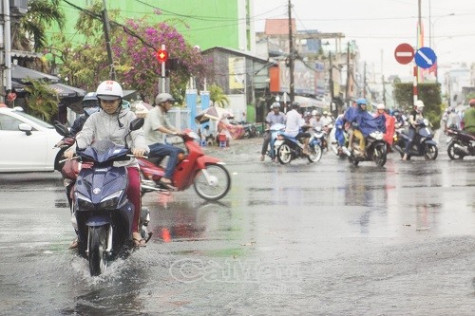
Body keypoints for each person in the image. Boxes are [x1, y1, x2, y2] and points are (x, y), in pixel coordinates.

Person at [63, 80, 149, 247]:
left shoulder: (129, 117)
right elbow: (85, 135)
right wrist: (74, 148)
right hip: (99, 163)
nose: (108, 104)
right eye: (104, 101)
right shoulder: (94, 118)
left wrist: (139, 147)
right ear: (99, 101)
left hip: (125, 163)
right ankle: (80, 233)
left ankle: (134, 230)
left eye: (112, 101)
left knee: (133, 186)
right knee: (78, 191)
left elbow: (138, 135)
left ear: (119, 101)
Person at [143, 92, 185, 190]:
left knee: (179, 150)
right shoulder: (154, 112)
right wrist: (172, 133)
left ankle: (158, 177)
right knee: (174, 151)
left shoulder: (162, 114)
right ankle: (166, 178)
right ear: (162, 103)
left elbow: (169, 126)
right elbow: (157, 127)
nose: (171, 105)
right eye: (169, 103)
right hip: (150, 145)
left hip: (157, 143)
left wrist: (181, 132)